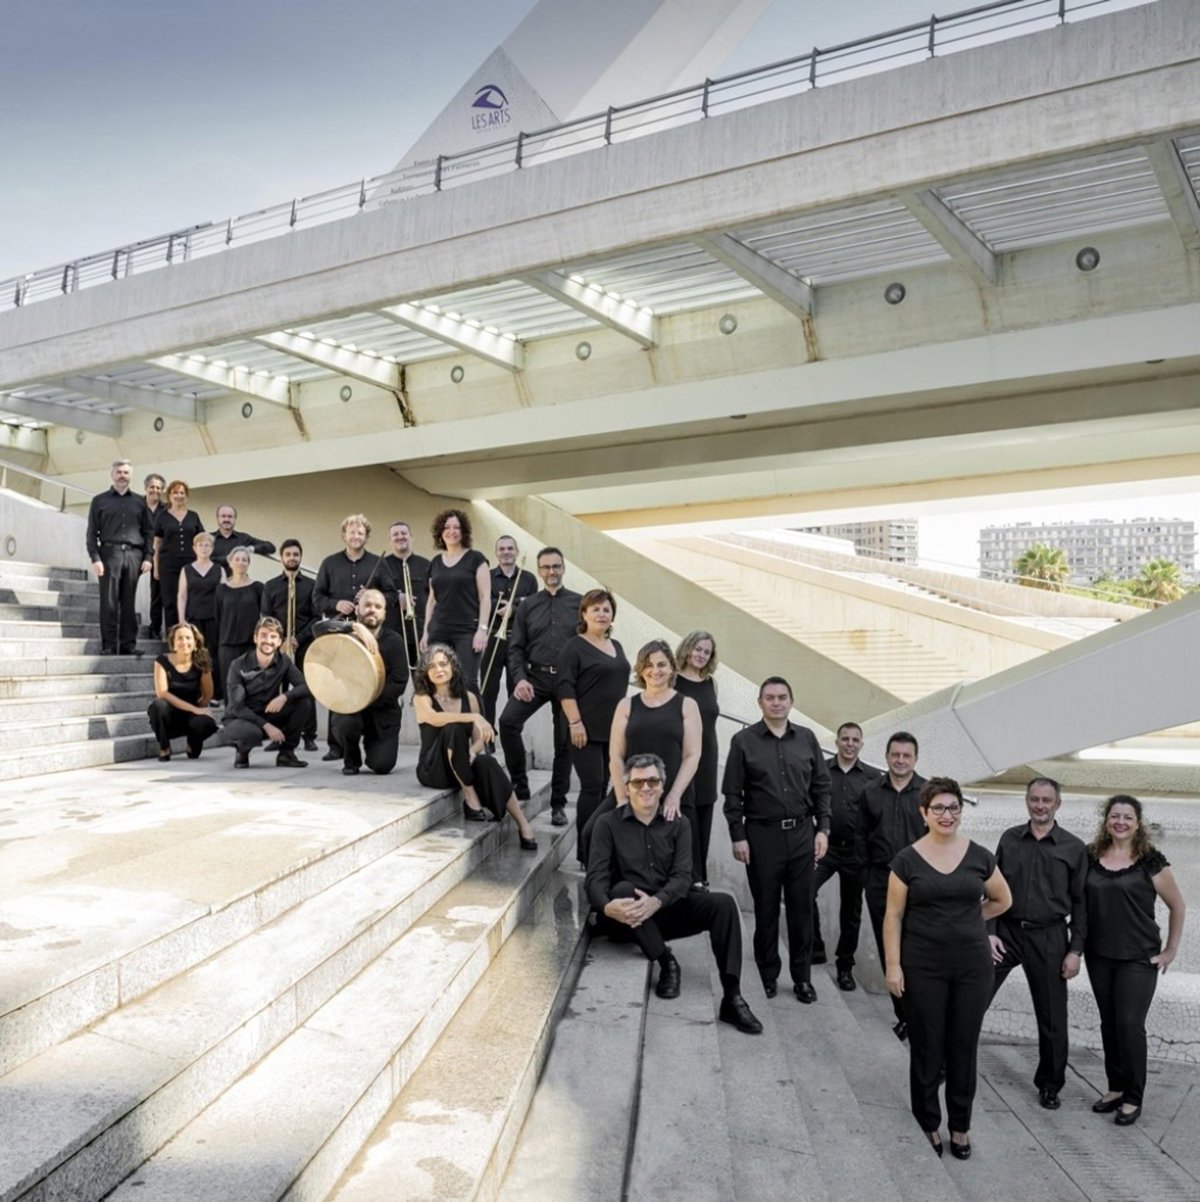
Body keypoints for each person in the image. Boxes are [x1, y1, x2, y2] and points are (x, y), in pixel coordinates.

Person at [587, 752, 763, 1035]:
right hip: (624, 920)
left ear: (662, 786)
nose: (646, 787)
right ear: (627, 787)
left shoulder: (680, 824)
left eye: (653, 781)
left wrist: (657, 901)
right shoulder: (607, 824)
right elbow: (595, 879)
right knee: (623, 890)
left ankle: (733, 997)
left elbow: (682, 878)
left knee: (724, 904)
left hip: (663, 909)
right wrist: (607, 907)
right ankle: (666, 961)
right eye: (638, 782)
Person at [884, 777, 1012, 1161]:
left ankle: (960, 1125)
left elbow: (1002, 899)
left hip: (972, 967)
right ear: (924, 813)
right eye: (938, 808)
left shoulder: (979, 856)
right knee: (927, 1046)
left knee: (963, 1047)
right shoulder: (907, 860)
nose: (947, 815)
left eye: (953, 807)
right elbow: (893, 916)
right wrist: (893, 966)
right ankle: (927, 1121)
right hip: (922, 966)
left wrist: (970, 920)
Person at [723, 676, 830, 1003]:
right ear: (760, 703)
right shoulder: (743, 741)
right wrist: (738, 835)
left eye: (782, 697)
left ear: (791, 701)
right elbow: (732, 794)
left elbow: (822, 786)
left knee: (802, 911)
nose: (776, 702)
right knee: (766, 910)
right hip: (762, 836)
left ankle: (802, 979)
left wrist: (823, 828)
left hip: (802, 835)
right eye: (769, 697)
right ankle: (768, 975)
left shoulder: (807, 738)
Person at [987, 777, 1089, 1111]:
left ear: (1058, 804)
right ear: (1027, 801)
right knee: (973, 996)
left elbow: (1081, 904)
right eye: (1034, 799)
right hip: (1007, 933)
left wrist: (1075, 950)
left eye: (1046, 800)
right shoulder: (1009, 839)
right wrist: (989, 931)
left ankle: (1050, 1084)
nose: (1040, 805)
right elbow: (992, 889)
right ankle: (949, 1062)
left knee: (1052, 1017)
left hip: (1049, 937)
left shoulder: (1074, 848)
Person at [1085, 794, 1186, 1127]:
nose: (1121, 822)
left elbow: (1178, 906)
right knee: (1109, 1023)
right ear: (1106, 821)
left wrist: (1170, 950)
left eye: (1128, 817)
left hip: (1138, 959)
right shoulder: (1091, 856)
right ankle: (1115, 1088)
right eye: (1115, 816)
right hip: (1100, 956)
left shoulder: (1150, 862)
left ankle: (1133, 1096)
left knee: (1129, 1024)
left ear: (1138, 823)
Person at [579, 640, 702, 864]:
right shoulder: (626, 705)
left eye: (661, 664)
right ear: (641, 670)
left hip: (671, 790)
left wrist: (674, 795)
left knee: (671, 854)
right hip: (632, 788)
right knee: (591, 832)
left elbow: (692, 756)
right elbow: (616, 756)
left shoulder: (687, 705)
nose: (655, 670)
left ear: (672, 668)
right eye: (648, 665)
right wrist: (622, 799)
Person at [412, 644, 538, 847]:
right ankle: (470, 797)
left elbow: (480, 739)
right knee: (453, 728)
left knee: (489, 762)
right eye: (431, 666)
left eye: (443, 664)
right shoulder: (422, 698)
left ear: (453, 666)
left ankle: (523, 824)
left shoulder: (469, 698)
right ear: (425, 673)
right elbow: (434, 718)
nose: (438, 670)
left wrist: (472, 750)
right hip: (434, 769)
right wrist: (474, 717)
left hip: (461, 764)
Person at [499, 547, 580, 826]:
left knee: (564, 743)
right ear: (539, 571)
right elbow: (515, 648)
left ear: (563, 568)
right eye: (546, 567)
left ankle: (558, 804)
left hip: (568, 682)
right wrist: (520, 678)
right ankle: (520, 784)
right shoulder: (527, 605)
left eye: (556, 566)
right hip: (536, 678)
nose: (551, 571)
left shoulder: (579, 603)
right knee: (507, 722)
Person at [861, 731, 926, 1039]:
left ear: (915, 759)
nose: (900, 760)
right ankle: (904, 1016)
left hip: (918, 885)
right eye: (895, 755)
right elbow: (861, 836)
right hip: (879, 881)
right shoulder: (870, 791)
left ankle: (920, 1014)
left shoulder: (928, 793)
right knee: (890, 951)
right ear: (887, 757)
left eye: (906, 756)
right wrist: (866, 876)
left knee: (916, 951)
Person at [557, 589, 630, 864]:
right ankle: (586, 853)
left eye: (606, 609)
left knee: (603, 789)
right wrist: (575, 723)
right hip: (583, 730)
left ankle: (599, 849)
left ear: (612, 616)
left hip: (612, 731)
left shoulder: (617, 646)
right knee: (592, 786)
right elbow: (565, 687)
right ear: (584, 614)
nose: (601, 614)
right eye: (596, 609)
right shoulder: (574, 646)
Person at [812, 721, 880, 992]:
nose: (850, 744)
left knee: (851, 912)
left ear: (861, 744)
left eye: (855, 740)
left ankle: (844, 967)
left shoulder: (873, 777)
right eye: (845, 739)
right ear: (837, 742)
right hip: (825, 849)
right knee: (803, 891)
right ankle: (816, 947)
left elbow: (878, 816)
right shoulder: (821, 770)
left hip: (856, 854)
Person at [313, 514, 383, 761]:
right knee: (337, 685)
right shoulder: (329, 563)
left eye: (360, 533)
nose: (356, 536)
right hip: (339, 633)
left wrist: (371, 596)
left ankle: (368, 740)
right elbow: (317, 598)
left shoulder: (378, 563)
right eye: (352, 532)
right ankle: (336, 745)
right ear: (344, 535)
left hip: (370, 633)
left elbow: (389, 595)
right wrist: (336, 604)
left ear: (366, 536)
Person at [331, 589, 408, 776]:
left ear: (384, 613)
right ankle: (351, 758)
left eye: (378, 606)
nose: (372, 609)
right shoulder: (346, 635)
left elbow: (399, 681)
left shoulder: (395, 641)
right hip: (352, 709)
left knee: (382, 766)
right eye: (367, 605)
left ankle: (373, 747)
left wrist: (366, 697)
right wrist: (352, 626)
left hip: (382, 711)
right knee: (346, 724)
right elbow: (317, 629)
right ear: (357, 609)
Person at [222, 616, 314, 768]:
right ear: (255, 638)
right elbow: (237, 707)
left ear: (279, 642)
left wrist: (285, 696)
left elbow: (306, 686)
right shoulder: (238, 665)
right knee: (252, 733)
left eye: (273, 637)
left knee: (303, 702)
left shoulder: (284, 661)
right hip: (239, 718)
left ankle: (286, 754)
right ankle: (242, 752)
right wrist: (266, 726)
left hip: (266, 712)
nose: (268, 640)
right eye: (263, 635)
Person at [85, 459, 152, 656]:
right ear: (112, 474)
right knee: (109, 602)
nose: (122, 476)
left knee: (129, 602)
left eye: (126, 472)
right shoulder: (99, 500)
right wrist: (95, 558)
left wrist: (148, 557)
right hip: (109, 555)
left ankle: (128, 645)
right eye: (119, 472)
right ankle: (108, 644)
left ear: (131, 476)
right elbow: (92, 533)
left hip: (134, 555)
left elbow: (148, 531)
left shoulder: (140, 501)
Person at [673, 630, 720, 888]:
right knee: (685, 816)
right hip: (682, 757)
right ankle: (687, 877)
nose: (701, 655)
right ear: (688, 648)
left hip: (708, 758)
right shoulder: (672, 680)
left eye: (707, 652)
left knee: (704, 814)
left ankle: (700, 877)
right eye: (698, 649)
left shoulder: (711, 683)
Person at [422, 509, 490, 688]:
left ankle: (472, 709)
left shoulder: (476, 559)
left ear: (463, 531)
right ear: (440, 532)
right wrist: (426, 632)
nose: (451, 531)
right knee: (437, 681)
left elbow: (485, 597)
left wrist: (482, 629)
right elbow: (432, 600)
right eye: (447, 527)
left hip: (467, 631)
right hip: (439, 630)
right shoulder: (435, 562)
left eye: (456, 527)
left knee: (468, 682)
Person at [260, 538, 317, 750]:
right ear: (281, 558)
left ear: (300, 557)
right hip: (278, 646)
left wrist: (298, 639)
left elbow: (315, 617)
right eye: (288, 554)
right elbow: (267, 617)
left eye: (295, 554)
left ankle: (309, 736)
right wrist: (281, 640)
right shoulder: (270, 586)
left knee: (306, 687)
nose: (292, 558)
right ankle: (279, 736)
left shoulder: (311, 585)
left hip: (304, 645)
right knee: (277, 690)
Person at [479, 535, 537, 729]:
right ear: (496, 553)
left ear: (516, 552)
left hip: (519, 642)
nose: (506, 552)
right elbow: (480, 602)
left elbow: (533, 606)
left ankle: (513, 732)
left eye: (510, 548)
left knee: (517, 690)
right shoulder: (487, 576)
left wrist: (514, 606)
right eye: (502, 549)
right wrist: (502, 604)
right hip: (492, 639)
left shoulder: (528, 578)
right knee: (488, 691)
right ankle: (487, 734)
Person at [146, 622, 218, 760]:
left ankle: (192, 743)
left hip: (191, 716)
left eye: (188, 638)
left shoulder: (202, 662)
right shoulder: (161, 661)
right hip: (170, 715)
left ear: (195, 643)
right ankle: (165, 747)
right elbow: (162, 693)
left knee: (207, 722)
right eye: (179, 638)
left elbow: (208, 694)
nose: (184, 642)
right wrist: (194, 709)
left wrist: (199, 710)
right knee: (157, 706)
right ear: (173, 644)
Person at [215, 547, 264, 705]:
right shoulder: (221, 590)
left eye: (244, 559)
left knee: (251, 688)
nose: (241, 562)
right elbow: (217, 618)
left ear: (249, 563)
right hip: (227, 646)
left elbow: (264, 617)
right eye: (237, 559)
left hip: (251, 646)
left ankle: (250, 719)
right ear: (230, 563)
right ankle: (230, 717)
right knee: (230, 688)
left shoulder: (258, 587)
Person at [152, 480, 203, 632]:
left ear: (186, 496)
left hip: (190, 564)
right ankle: (172, 636)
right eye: (175, 492)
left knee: (191, 600)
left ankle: (191, 635)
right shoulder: (162, 516)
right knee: (170, 601)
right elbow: (157, 544)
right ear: (169, 496)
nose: (179, 496)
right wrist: (156, 567)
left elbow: (201, 539)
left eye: (182, 493)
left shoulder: (193, 516)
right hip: (168, 565)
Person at [379, 520, 429, 667]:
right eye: (395, 534)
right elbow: (373, 595)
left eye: (404, 533)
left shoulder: (426, 565)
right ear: (390, 540)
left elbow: (435, 598)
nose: (400, 537)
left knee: (423, 676)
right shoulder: (380, 565)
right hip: (390, 632)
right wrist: (397, 597)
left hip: (419, 633)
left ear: (411, 537)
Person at [178, 533, 222, 698]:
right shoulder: (186, 570)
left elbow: (224, 596)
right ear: (194, 548)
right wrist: (181, 620)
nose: (204, 548)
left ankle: (214, 695)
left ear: (212, 548)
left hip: (214, 619)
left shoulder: (219, 570)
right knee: (195, 655)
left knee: (213, 656)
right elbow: (182, 596)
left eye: (207, 545)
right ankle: (195, 693)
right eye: (201, 545)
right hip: (193, 619)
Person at [211, 505, 276, 576]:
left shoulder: (243, 538)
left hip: (239, 581)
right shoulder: (209, 538)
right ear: (218, 518)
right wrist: (229, 558)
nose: (227, 519)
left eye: (230, 516)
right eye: (223, 516)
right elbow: (206, 561)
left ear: (235, 519)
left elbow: (271, 547)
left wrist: (251, 549)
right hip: (213, 580)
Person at [143, 473, 165, 638]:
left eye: (158, 488)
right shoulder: (137, 506)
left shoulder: (167, 510)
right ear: (146, 488)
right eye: (152, 487)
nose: (155, 490)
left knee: (157, 594)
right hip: (138, 553)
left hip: (159, 555)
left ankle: (155, 628)